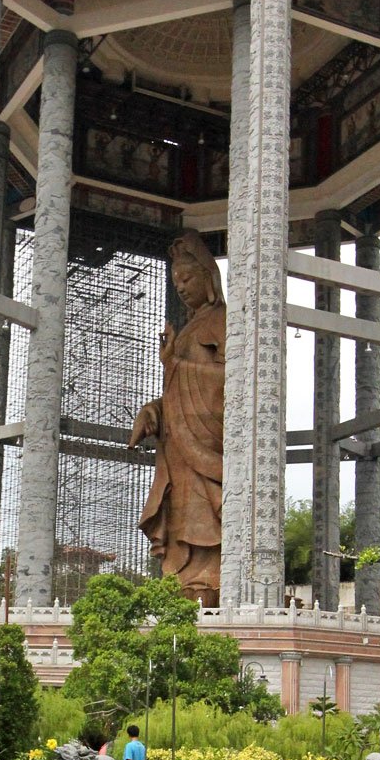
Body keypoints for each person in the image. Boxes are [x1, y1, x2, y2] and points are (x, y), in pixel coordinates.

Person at [127, 230, 225, 604]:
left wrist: (174, 364)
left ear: (209, 277)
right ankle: (186, 577)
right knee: (184, 515)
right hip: (180, 448)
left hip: (208, 444)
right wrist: (152, 412)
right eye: (176, 282)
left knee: (209, 516)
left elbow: (232, 380)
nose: (181, 288)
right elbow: (175, 396)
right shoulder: (188, 330)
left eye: (188, 278)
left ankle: (211, 580)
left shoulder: (223, 321)